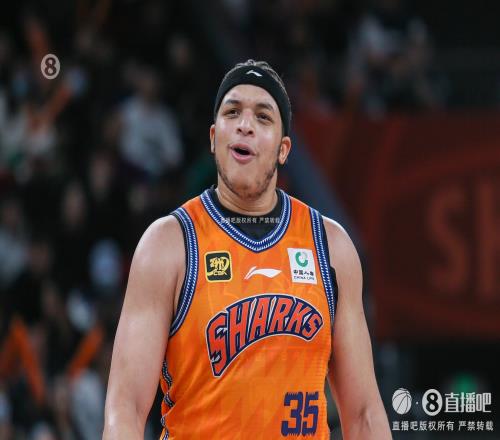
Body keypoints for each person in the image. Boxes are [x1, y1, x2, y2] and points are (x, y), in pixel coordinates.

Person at [103, 59, 391, 439]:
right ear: (213, 137)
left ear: (283, 150)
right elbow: (125, 408)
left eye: (263, 117)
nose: (245, 124)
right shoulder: (168, 245)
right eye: (232, 112)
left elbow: (365, 414)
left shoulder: (330, 248)